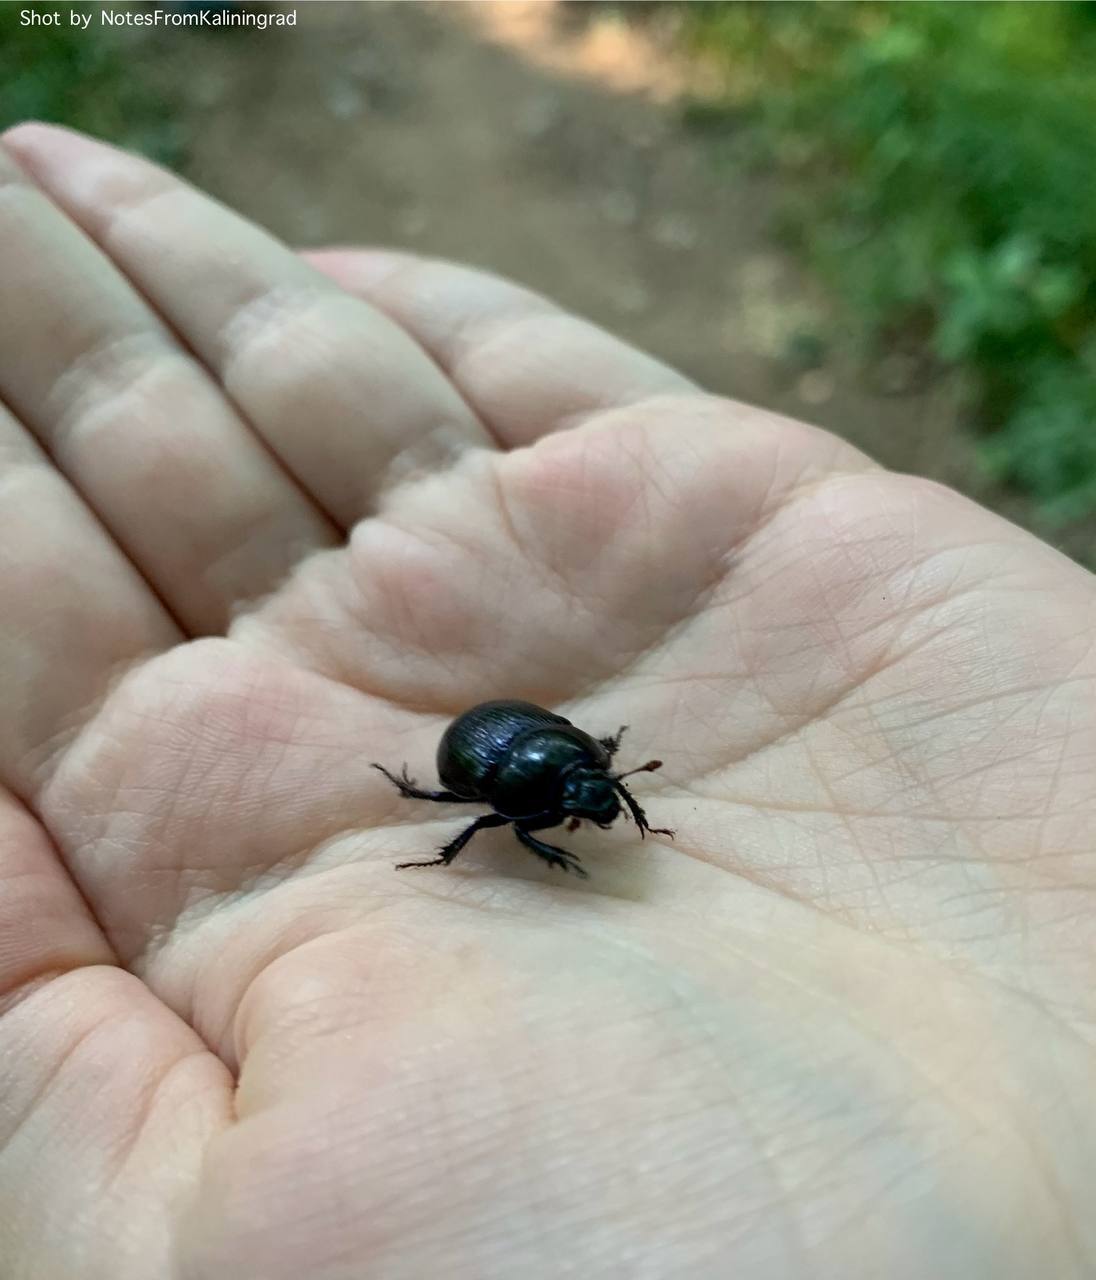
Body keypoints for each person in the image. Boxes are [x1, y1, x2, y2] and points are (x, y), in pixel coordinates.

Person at [0, 123, 1093, 1280]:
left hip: (504, 725)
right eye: (580, 798)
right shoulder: (509, 799)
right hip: (482, 736)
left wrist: (602, 787)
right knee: (458, 811)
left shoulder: (567, 772)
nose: (586, 801)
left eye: (587, 795)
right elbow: (489, 802)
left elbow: (572, 768)